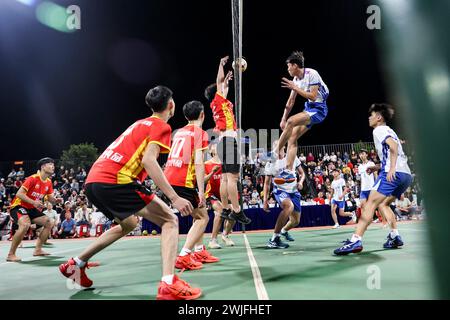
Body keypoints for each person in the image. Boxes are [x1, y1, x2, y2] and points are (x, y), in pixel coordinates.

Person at [58, 85, 201, 300]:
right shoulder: (161, 126)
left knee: (129, 224)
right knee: (170, 220)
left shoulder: (138, 123)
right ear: (171, 105)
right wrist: (174, 197)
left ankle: (75, 264)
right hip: (115, 181)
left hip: (94, 181)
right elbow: (148, 161)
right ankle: (168, 283)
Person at [334, 103, 412, 255]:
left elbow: (394, 147)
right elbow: (392, 150)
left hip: (394, 173)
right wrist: (377, 167)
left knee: (370, 204)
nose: (369, 118)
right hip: (406, 174)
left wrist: (391, 168)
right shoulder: (390, 130)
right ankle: (395, 236)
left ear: (379, 117)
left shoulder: (379, 129)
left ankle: (355, 240)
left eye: (371, 115)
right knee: (384, 204)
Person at [164, 100, 219, 270]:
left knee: (198, 215)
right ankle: (184, 255)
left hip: (169, 177)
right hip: (183, 181)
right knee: (203, 217)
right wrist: (202, 191)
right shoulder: (200, 133)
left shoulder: (179, 132)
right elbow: (198, 163)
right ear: (202, 115)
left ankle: (199, 250)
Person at [204, 56, 251, 225]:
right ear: (216, 93)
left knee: (224, 179)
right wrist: (221, 65)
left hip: (223, 143)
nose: (224, 88)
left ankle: (225, 208)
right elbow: (219, 81)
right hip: (229, 142)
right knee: (232, 178)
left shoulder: (219, 104)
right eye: (222, 88)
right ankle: (237, 211)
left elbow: (223, 85)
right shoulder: (219, 100)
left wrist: (227, 82)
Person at [275, 51, 329, 184]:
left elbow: (313, 96)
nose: (287, 69)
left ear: (295, 66)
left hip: (319, 108)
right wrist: (283, 118)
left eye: (288, 66)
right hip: (310, 108)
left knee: (292, 121)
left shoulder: (312, 74)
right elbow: (290, 101)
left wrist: (295, 87)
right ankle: (289, 172)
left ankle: (274, 152)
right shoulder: (296, 80)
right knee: (292, 137)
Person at [6, 158, 62, 262]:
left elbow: (50, 199)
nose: (53, 166)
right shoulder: (32, 178)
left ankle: (38, 250)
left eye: (53, 164)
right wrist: (33, 202)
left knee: (49, 222)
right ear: (43, 167)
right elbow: (19, 194)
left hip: (31, 208)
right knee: (25, 225)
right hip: (18, 206)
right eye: (50, 164)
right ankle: (11, 254)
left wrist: (56, 201)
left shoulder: (49, 182)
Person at [263, 141, 305, 248]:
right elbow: (267, 184)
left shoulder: (293, 157)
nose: (276, 148)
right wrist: (265, 200)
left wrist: (300, 182)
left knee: (295, 221)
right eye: (274, 146)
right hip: (280, 190)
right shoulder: (270, 163)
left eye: (278, 145)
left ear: (284, 147)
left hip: (294, 191)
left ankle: (284, 230)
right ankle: (274, 239)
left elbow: (302, 173)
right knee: (288, 206)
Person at [205, 144, 235, 249]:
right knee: (220, 211)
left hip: (224, 194)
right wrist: (212, 172)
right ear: (211, 151)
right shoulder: (206, 164)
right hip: (211, 194)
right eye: (214, 145)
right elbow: (202, 181)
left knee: (235, 210)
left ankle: (225, 235)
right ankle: (213, 240)